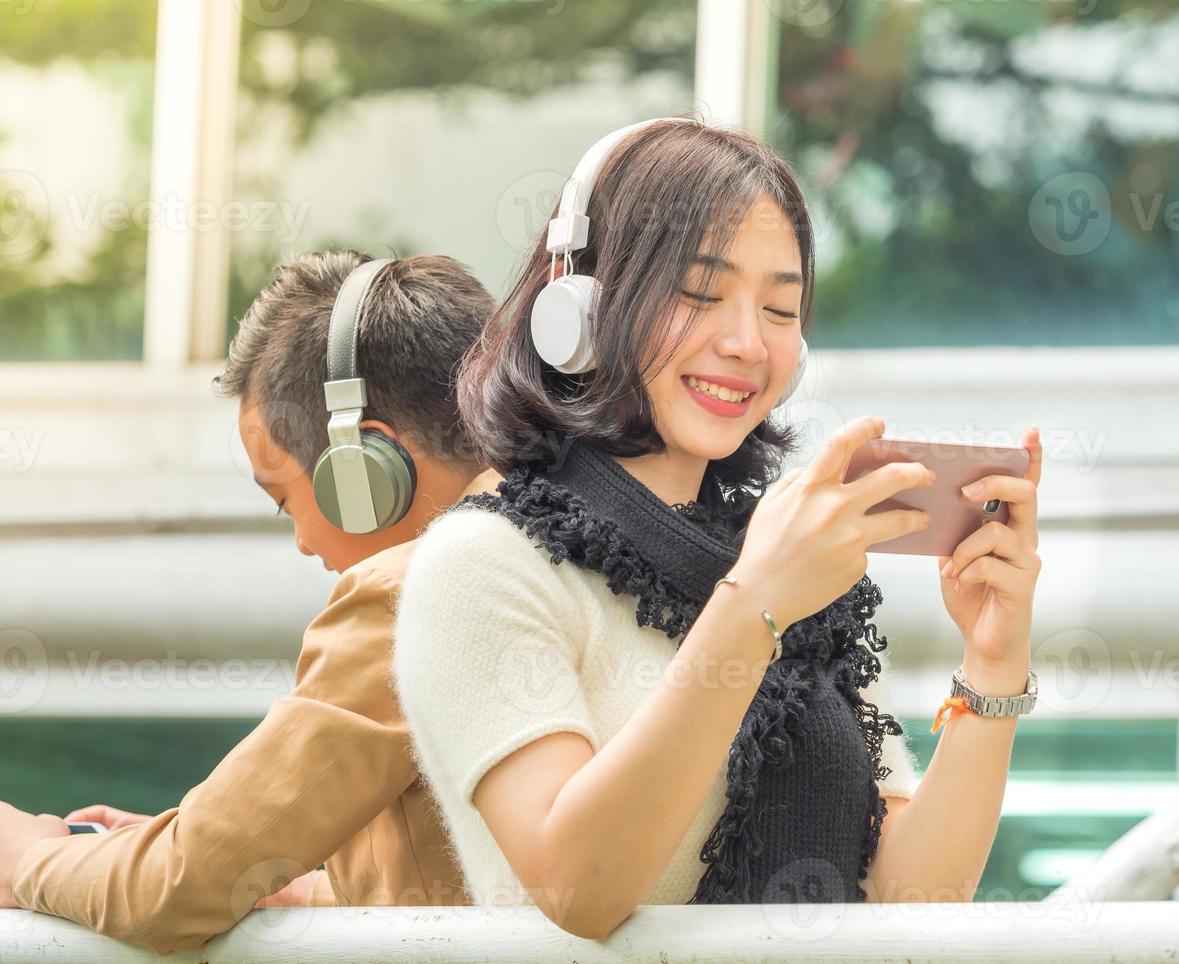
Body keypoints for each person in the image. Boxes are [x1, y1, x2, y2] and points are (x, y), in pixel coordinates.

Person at [392, 118, 1045, 938]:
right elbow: (576, 888)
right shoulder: (482, 564)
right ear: (581, 306)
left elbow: (909, 901)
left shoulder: (792, 563)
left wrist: (992, 665)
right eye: (699, 293)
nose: (744, 342)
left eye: (778, 306)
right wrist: (754, 605)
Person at [0, 250, 502, 953]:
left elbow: (182, 887)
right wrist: (286, 884)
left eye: (283, 501)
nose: (303, 544)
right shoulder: (567, 535)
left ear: (364, 470)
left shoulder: (415, 592)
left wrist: (29, 864)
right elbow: (479, 881)